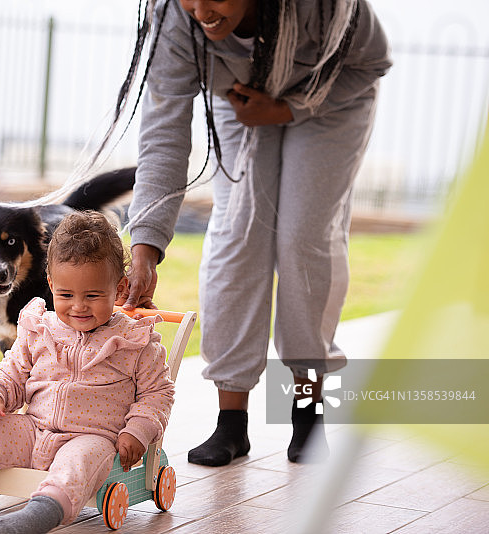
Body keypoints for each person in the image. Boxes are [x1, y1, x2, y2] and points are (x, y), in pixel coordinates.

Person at [115, 0, 392, 465]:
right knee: (237, 236)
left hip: (330, 99)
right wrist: (145, 247)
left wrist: (287, 110)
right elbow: (164, 131)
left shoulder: (324, 7)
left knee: (304, 239)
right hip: (241, 98)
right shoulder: (173, 17)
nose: (201, 9)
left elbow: (372, 61)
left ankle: (307, 413)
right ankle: (231, 424)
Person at [0, 210, 174, 534]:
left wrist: (138, 430)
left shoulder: (135, 341)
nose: (78, 307)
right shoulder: (40, 328)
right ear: (51, 284)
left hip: (93, 436)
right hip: (33, 429)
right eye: (65, 295)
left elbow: (157, 393)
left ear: (118, 287)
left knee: (83, 459)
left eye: (92, 296)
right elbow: (14, 369)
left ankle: (42, 512)